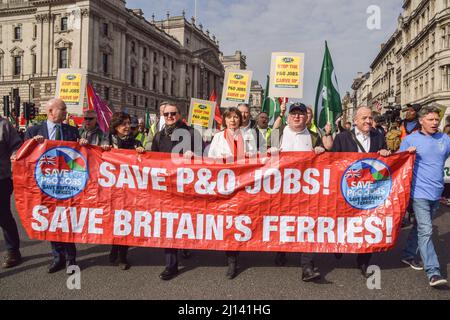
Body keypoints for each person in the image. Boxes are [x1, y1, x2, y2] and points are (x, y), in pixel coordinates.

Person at [332, 106, 391, 278]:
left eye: (370, 118)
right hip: (347, 188)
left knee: (367, 223)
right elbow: (334, 160)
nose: (367, 121)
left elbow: (386, 158)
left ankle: (364, 261)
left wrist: (385, 152)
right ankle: (339, 244)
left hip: (369, 191)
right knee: (344, 220)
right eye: (364, 118)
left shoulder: (378, 137)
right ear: (355, 120)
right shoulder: (342, 138)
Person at [270, 103, 326, 282]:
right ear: (288, 117)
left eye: (300, 114)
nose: (296, 117)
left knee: (308, 224)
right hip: (281, 190)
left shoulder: (314, 136)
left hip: (306, 190)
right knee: (282, 223)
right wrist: (269, 152)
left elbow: (326, 160)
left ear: (306, 117)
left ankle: (307, 266)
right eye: (293, 113)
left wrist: (321, 151)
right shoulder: (277, 134)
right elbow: (262, 156)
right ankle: (281, 250)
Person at [25, 98, 81, 274]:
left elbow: (81, 155)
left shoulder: (72, 131)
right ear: (51, 112)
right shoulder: (33, 131)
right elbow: (23, 156)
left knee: (67, 221)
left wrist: (83, 144)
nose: (66, 112)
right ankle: (58, 257)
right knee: (52, 222)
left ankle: (71, 259)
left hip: (67, 185)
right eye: (63, 109)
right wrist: (32, 144)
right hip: (45, 186)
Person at [400, 106, 449, 288]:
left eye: (437, 119)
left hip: (437, 192)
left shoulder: (444, 139)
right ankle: (433, 272)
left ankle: (407, 254)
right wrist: (406, 154)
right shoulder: (410, 140)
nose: (435, 123)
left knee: (421, 227)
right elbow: (398, 162)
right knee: (427, 229)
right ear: (421, 121)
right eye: (431, 119)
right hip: (418, 192)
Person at [151, 103, 201, 281]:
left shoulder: (192, 133)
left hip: (187, 186)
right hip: (166, 187)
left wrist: (194, 154)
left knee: (184, 221)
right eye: (166, 114)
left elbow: (203, 159)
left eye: (173, 113)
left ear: (180, 114)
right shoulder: (158, 136)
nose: (170, 116)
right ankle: (170, 265)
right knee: (169, 224)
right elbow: (153, 161)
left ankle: (185, 244)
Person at [208, 107, 257, 279]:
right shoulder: (218, 137)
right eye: (230, 117)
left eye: (236, 117)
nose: (234, 120)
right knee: (229, 219)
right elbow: (210, 160)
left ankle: (241, 249)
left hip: (245, 184)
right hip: (225, 184)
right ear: (225, 120)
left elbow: (260, 157)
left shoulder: (250, 135)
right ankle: (232, 260)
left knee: (242, 218)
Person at [101, 112, 145, 270]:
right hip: (111, 189)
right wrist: (103, 149)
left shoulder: (136, 142)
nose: (127, 127)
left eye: (128, 124)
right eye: (123, 124)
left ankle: (123, 256)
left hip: (129, 190)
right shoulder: (106, 140)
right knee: (113, 221)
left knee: (126, 221)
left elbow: (144, 162)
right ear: (115, 126)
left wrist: (141, 151)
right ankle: (114, 246)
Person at [0, 116, 23, 269]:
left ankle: (12, 250)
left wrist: (14, 156)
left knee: (3, 215)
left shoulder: (4, 125)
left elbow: (17, 146)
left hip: (1, 178)